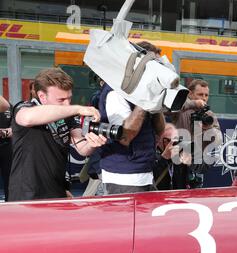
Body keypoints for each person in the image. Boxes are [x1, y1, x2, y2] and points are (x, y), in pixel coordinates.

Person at [8, 68, 107, 201]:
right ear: (42, 97)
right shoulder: (25, 107)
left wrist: (93, 143)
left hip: (57, 190)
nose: (67, 104)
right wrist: (78, 108)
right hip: (26, 194)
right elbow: (26, 118)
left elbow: (82, 148)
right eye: (61, 100)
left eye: (69, 98)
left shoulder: (68, 116)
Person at [98, 41, 166, 195]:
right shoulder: (115, 92)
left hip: (144, 173)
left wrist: (156, 99)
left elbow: (160, 130)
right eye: (152, 65)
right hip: (123, 178)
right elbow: (125, 136)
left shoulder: (141, 89)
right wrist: (144, 101)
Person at [173, 79, 222, 188]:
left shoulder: (209, 115)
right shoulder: (180, 109)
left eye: (206, 95)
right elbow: (168, 108)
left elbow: (219, 140)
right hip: (176, 162)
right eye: (200, 94)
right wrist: (193, 104)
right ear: (190, 93)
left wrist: (208, 128)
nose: (204, 98)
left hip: (197, 163)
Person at [153, 123, 191, 190]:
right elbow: (152, 180)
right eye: (168, 140)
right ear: (158, 141)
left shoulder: (181, 154)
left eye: (176, 140)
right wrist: (163, 158)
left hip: (178, 197)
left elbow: (190, 184)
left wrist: (189, 165)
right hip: (160, 197)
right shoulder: (151, 155)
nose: (173, 144)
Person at [0, 96, 12, 201]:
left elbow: (17, 128)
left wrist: (4, 132)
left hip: (7, 146)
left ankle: (11, 202)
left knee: (10, 178)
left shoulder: (9, 106)